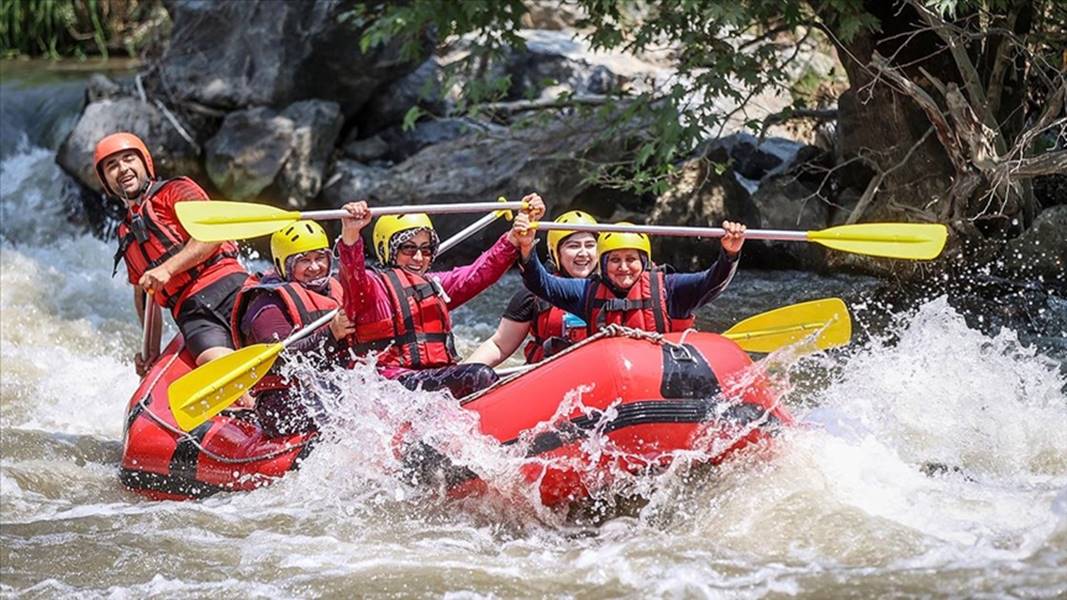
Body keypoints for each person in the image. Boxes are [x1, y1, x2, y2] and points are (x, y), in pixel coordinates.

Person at [337, 194, 545, 398]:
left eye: (426, 250)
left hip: (430, 379)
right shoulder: (367, 287)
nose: (418, 258)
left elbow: (479, 273)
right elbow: (351, 271)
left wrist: (515, 236)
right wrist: (351, 232)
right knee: (479, 376)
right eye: (408, 248)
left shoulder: (435, 285)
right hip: (390, 385)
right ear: (387, 249)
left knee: (478, 375)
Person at [94, 132, 250, 372]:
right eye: (112, 166)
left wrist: (168, 268)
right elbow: (145, 295)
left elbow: (213, 232)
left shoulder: (176, 190)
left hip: (228, 286)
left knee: (266, 333)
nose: (122, 169)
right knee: (217, 367)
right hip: (192, 314)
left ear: (144, 162)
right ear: (106, 180)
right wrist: (151, 352)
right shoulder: (125, 234)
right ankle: (248, 405)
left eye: (128, 159)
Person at [229, 220, 354, 436]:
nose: (315, 267)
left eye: (320, 257)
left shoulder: (336, 287)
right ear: (283, 264)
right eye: (303, 261)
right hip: (285, 399)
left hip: (331, 387)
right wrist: (330, 333)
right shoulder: (267, 304)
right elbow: (280, 359)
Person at [517, 220, 747, 335]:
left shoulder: (670, 289)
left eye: (631, 259)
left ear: (644, 262)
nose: (624, 267)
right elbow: (541, 283)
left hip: (659, 379)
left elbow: (712, 282)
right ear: (603, 264)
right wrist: (527, 249)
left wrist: (730, 253)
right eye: (615, 260)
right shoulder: (586, 292)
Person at [465, 210, 599, 366]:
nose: (583, 253)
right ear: (555, 253)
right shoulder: (533, 295)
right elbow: (499, 346)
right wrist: (461, 376)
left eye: (590, 245)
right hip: (548, 377)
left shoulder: (612, 293)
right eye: (573, 246)